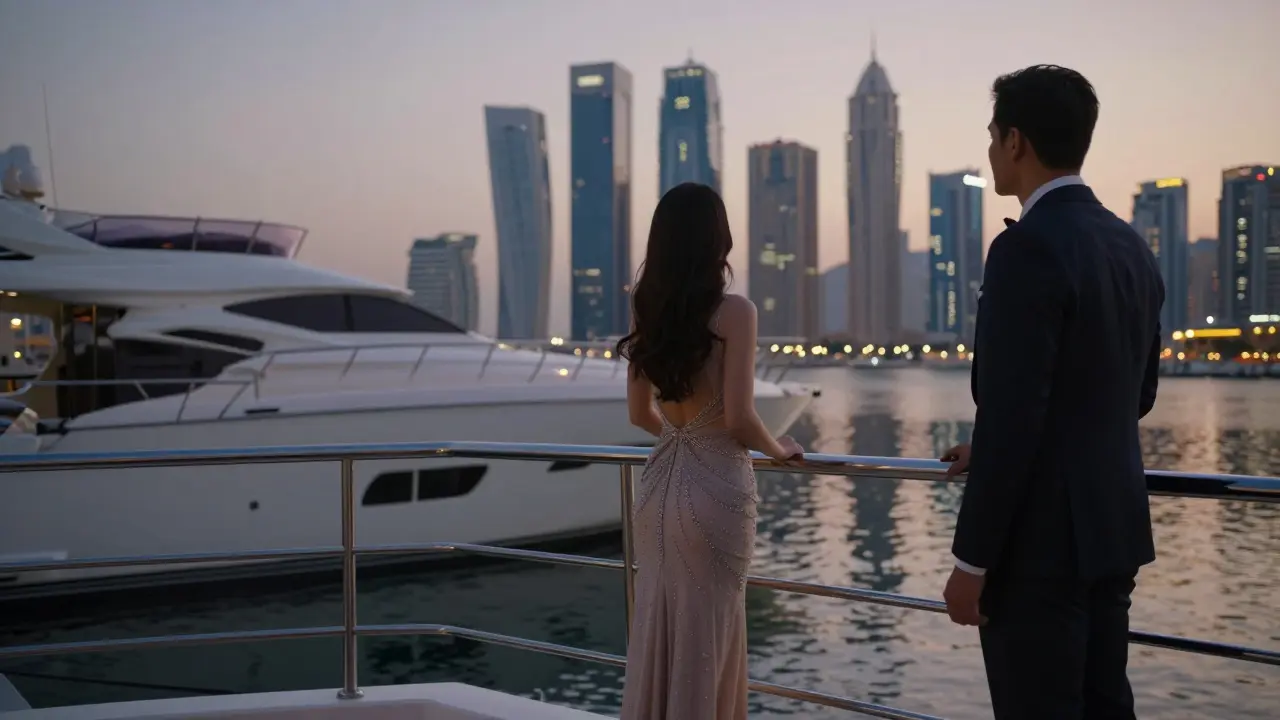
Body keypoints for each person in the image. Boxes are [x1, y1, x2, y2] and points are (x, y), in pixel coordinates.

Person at [940, 65, 1164, 719]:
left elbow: (1013, 417)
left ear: (1015, 142)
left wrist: (970, 564)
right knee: (1104, 706)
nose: (989, 151)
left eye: (992, 135)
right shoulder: (1130, 248)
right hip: (1112, 531)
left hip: (1039, 551)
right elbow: (1135, 394)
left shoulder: (1025, 249)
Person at [616, 182, 803, 719]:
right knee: (710, 636)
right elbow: (742, 418)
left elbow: (638, 414)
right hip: (718, 489)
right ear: (717, 239)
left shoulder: (644, 307)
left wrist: (682, 437)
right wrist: (778, 451)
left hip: (658, 489)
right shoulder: (735, 312)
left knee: (660, 630)